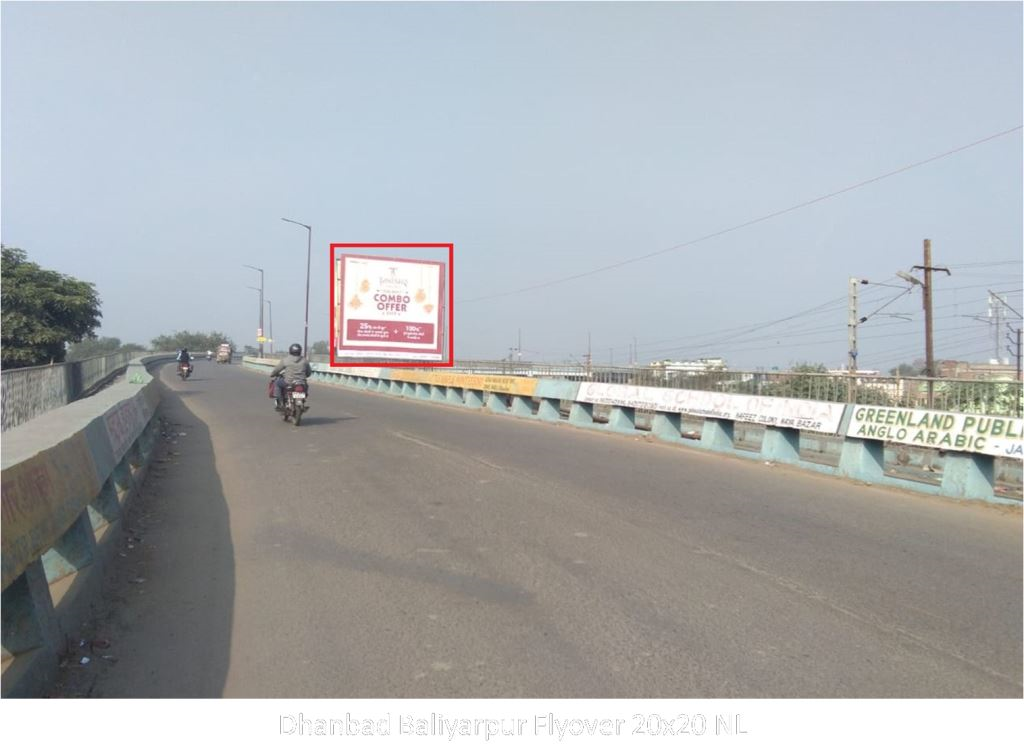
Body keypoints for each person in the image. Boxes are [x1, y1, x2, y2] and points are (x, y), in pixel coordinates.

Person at [270, 343, 312, 409]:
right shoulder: (305, 361)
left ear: (290, 351)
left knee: (277, 383)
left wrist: (272, 374)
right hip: (301, 382)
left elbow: (277, 370)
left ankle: (279, 401)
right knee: (306, 386)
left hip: (288, 382)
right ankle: (303, 399)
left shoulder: (285, 360)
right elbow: (309, 373)